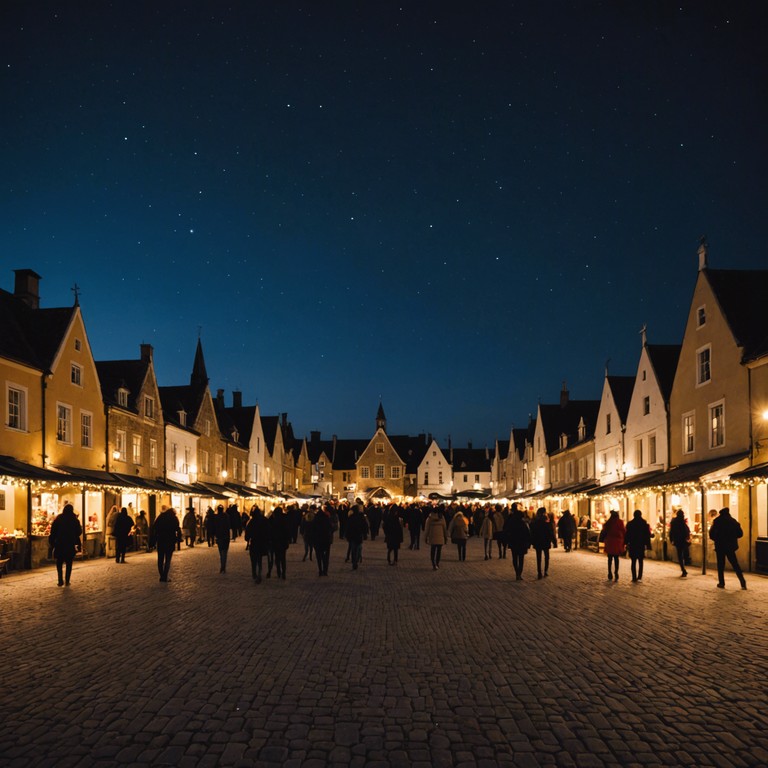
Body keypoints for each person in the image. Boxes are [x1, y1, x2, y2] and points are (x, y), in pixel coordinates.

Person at [708, 507, 747, 590]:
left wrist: (717, 538)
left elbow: (711, 534)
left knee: (720, 565)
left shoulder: (717, 521)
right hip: (730, 546)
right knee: (735, 564)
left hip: (720, 546)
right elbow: (740, 534)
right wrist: (732, 537)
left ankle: (721, 583)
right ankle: (742, 582)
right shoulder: (733, 521)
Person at [49, 503, 82, 586]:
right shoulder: (74, 520)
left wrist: (52, 542)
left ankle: (60, 580)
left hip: (60, 543)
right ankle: (67, 580)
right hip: (70, 543)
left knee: (59, 562)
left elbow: (53, 531)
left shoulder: (59, 518)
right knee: (69, 563)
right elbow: (79, 531)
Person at [150, 507, 181, 582]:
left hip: (161, 540)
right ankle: (165, 575)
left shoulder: (161, 517)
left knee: (160, 559)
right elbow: (177, 528)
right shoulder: (174, 518)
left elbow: (154, 527)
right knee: (168, 559)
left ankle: (161, 575)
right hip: (170, 540)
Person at [504, 506, 531, 580]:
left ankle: (517, 573)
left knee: (515, 558)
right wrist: (528, 543)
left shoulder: (511, 523)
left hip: (514, 543)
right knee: (521, 558)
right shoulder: (523, 524)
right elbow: (528, 534)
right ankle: (519, 573)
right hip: (522, 543)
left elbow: (507, 531)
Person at [624, 510, 652, 582]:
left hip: (633, 544)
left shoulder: (630, 524)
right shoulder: (644, 523)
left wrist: (626, 542)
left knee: (633, 561)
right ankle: (639, 577)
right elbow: (647, 535)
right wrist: (648, 544)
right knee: (640, 561)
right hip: (641, 544)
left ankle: (634, 577)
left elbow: (627, 535)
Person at [244, 507, 270, 583]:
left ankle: (254, 573)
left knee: (253, 559)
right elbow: (268, 530)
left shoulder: (251, 522)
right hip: (262, 542)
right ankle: (259, 573)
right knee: (259, 559)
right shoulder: (265, 520)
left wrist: (247, 539)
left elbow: (247, 533)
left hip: (254, 542)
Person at [530, 507, 556, 579]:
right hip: (545, 541)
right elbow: (551, 533)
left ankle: (539, 573)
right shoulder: (547, 523)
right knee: (546, 557)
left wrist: (532, 542)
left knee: (539, 558)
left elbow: (532, 533)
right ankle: (545, 571)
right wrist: (554, 542)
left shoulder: (535, 523)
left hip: (538, 542)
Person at [601, 510, 626, 582]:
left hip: (609, 542)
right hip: (617, 543)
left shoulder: (608, 522)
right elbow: (624, 531)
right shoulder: (620, 522)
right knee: (616, 558)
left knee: (609, 559)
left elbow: (604, 531)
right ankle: (616, 572)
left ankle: (609, 572)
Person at [268, 506, 291, 579]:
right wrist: (288, 539)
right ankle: (283, 573)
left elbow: (269, 530)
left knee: (277, 558)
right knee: (283, 558)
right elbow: (287, 530)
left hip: (274, 541)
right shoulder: (284, 519)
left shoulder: (272, 519)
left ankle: (279, 572)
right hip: (282, 541)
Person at [312, 504, 334, 576]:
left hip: (317, 540)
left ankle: (320, 570)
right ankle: (325, 570)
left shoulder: (316, 518)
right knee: (326, 556)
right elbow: (331, 528)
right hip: (325, 540)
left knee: (319, 556)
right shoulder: (326, 519)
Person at [345, 504, 369, 571]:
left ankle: (354, 562)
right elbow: (365, 526)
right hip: (359, 535)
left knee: (353, 549)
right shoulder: (361, 517)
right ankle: (356, 560)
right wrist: (365, 534)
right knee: (358, 548)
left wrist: (347, 535)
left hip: (353, 536)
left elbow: (348, 527)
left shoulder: (351, 517)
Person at [668, 509, 691, 577]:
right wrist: (688, 537)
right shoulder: (682, 521)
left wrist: (671, 539)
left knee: (680, 555)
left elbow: (671, 531)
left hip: (678, 540)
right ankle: (685, 566)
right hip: (683, 540)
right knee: (684, 553)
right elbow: (687, 530)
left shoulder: (674, 521)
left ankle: (683, 569)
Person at [214, 505, 231, 573]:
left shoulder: (216, 517)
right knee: (225, 552)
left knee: (221, 552)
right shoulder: (226, 516)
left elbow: (215, 527)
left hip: (219, 537)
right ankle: (223, 566)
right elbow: (229, 526)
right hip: (226, 536)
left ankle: (222, 565)